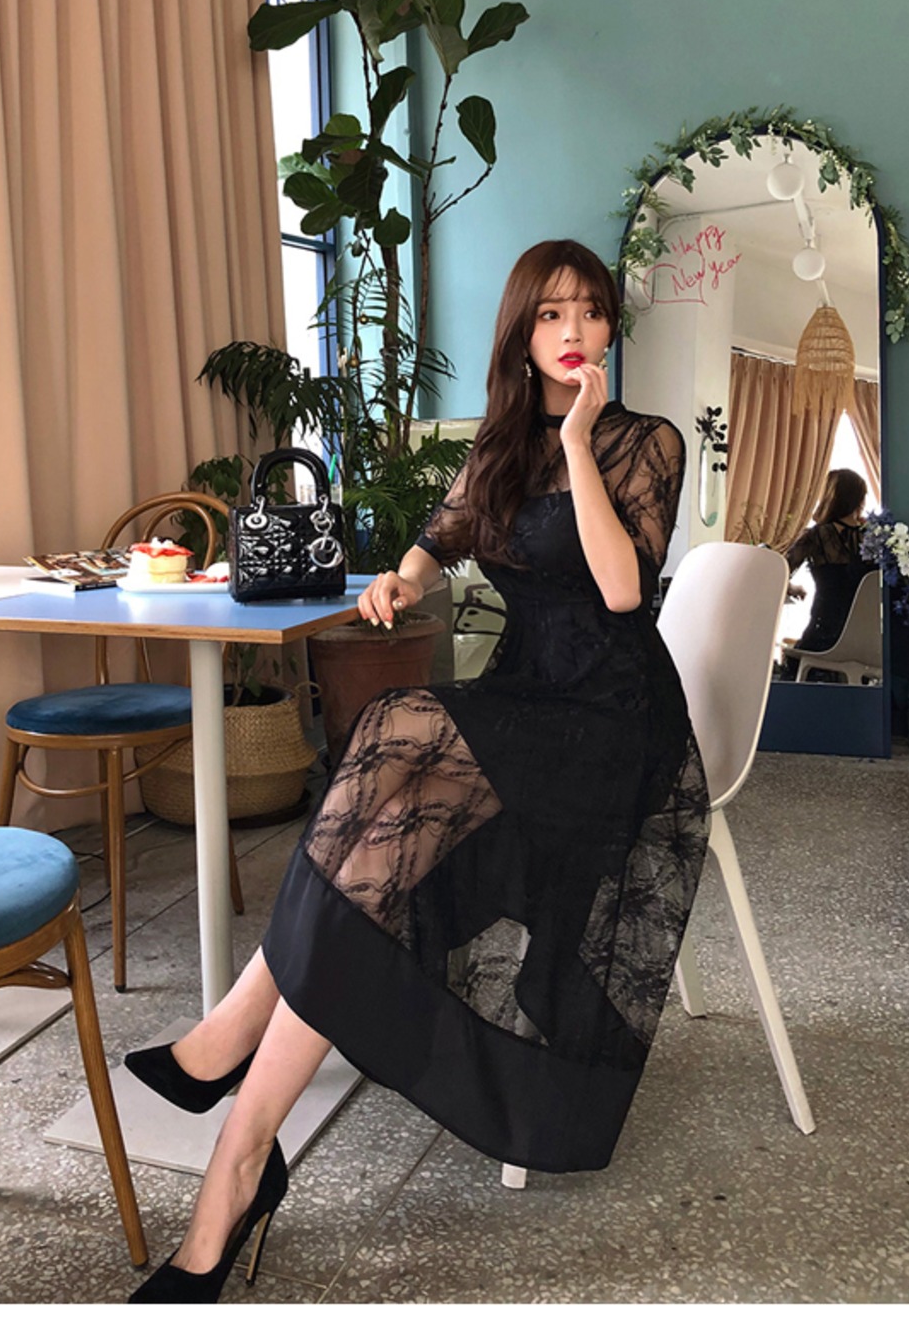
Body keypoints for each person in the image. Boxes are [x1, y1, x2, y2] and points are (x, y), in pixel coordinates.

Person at [123, 239, 710, 1303]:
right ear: (520, 335)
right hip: (526, 701)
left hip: (613, 725)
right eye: (550, 314)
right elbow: (439, 538)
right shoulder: (497, 446)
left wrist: (578, 443)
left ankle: (231, 1044)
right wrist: (399, 579)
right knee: (373, 853)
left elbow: (623, 590)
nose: (573, 331)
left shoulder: (641, 440)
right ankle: (242, 1158)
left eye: (588, 311)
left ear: (609, 327)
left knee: (399, 726)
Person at [780, 468, 877, 671]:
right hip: (870, 640)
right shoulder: (875, 537)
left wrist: (792, 588)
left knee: (791, 665)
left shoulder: (817, 536)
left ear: (830, 498)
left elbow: (779, 571)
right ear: (859, 500)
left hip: (824, 635)